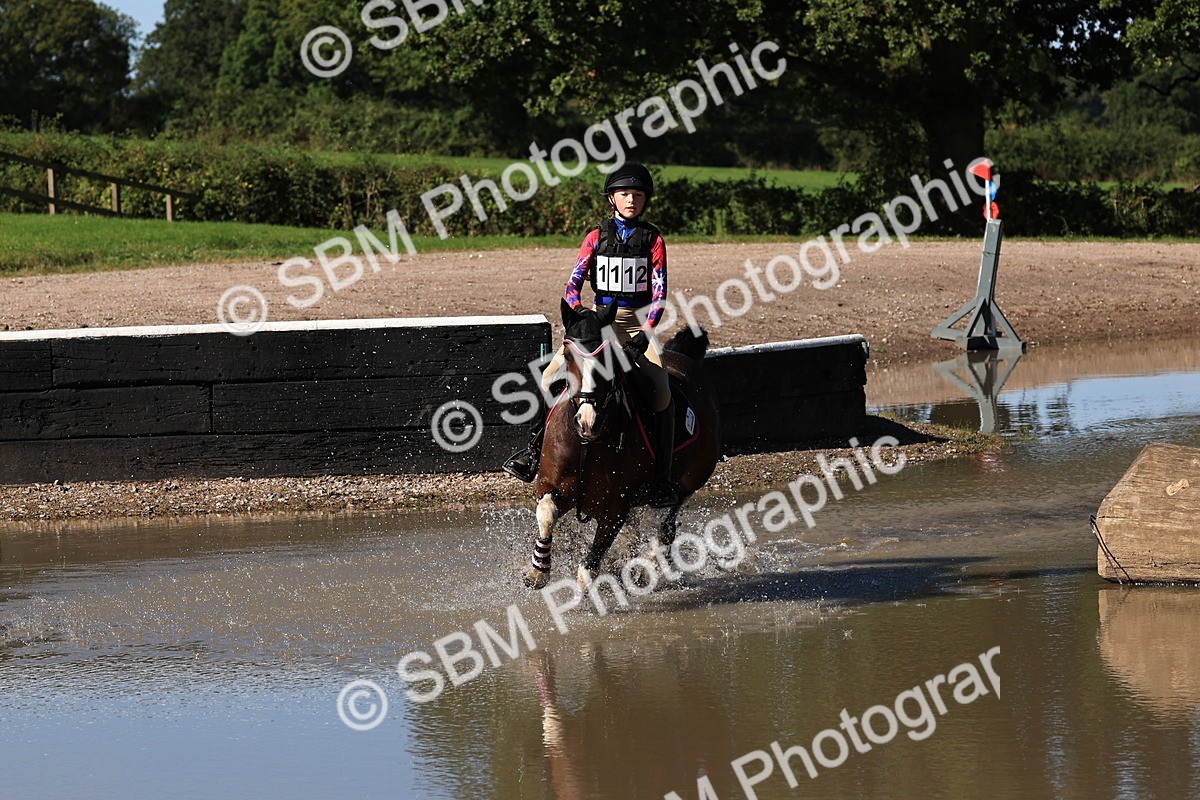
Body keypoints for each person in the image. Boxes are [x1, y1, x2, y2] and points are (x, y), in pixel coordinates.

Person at [502, 161, 680, 507]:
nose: (632, 200)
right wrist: (582, 315)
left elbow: (659, 294)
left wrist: (646, 333)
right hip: (596, 325)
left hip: (634, 324)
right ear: (612, 198)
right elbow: (572, 287)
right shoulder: (595, 237)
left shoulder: (654, 240)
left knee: (661, 396)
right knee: (546, 380)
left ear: (646, 200)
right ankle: (531, 453)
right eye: (625, 194)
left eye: (638, 195)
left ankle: (662, 478)